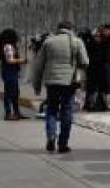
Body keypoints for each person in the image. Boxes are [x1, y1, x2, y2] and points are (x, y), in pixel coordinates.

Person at [30, 21, 89, 153]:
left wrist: (37, 85)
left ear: (58, 29)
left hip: (51, 82)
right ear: (71, 29)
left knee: (51, 108)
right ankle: (63, 144)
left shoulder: (49, 42)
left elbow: (38, 65)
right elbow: (85, 62)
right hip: (69, 82)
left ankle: (51, 135)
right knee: (66, 110)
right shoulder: (77, 42)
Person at [0, 28, 27, 120]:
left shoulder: (8, 46)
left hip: (10, 71)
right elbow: (9, 60)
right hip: (9, 71)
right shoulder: (8, 46)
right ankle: (8, 113)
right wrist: (22, 60)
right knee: (10, 93)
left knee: (15, 92)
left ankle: (16, 112)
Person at [85, 28, 107, 111]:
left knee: (101, 88)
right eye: (96, 36)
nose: (97, 38)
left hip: (101, 69)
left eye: (99, 36)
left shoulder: (103, 45)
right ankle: (89, 104)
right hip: (92, 69)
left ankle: (101, 104)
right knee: (91, 88)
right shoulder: (90, 45)